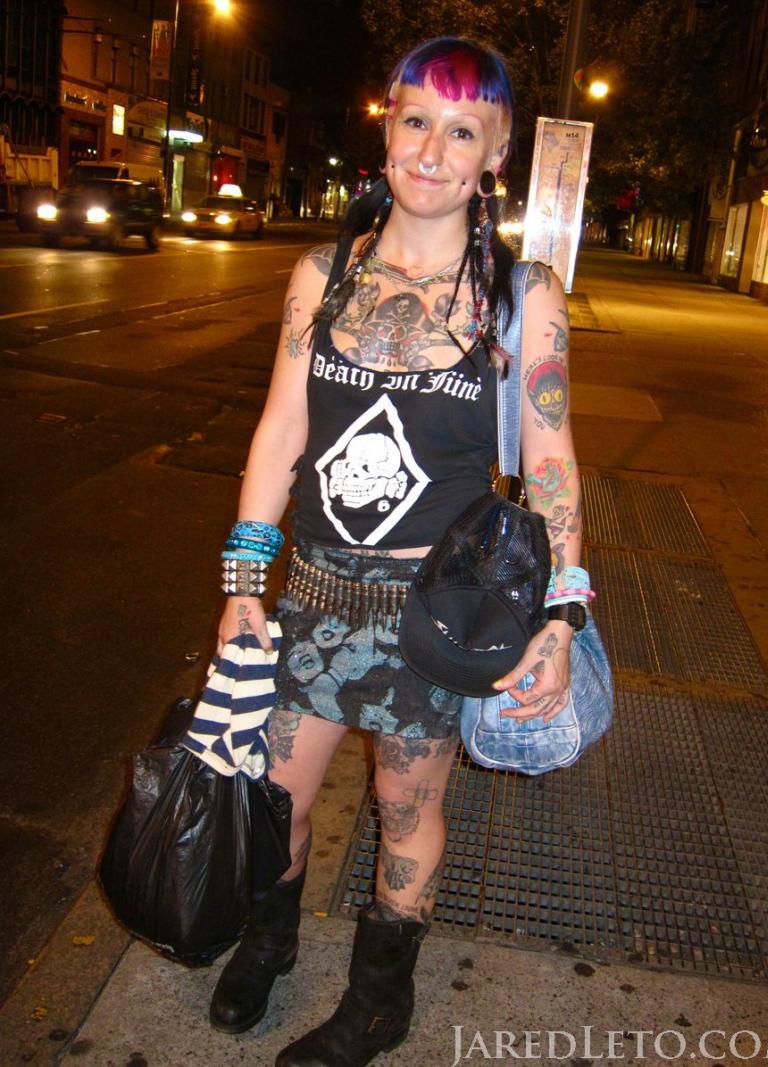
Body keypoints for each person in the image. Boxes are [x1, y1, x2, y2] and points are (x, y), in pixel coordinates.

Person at [209, 36, 588, 1067]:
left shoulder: (521, 297)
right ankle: (268, 942)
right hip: (314, 593)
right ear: (386, 129)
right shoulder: (321, 276)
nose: (430, 151)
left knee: (403, 806)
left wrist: (560, 614)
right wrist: (243, 582)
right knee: (272, 796)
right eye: (415, 120)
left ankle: (379, 1002)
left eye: (461, 131)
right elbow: (281, 433)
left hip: (436, 613)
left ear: (494, 155)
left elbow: (550, 461)